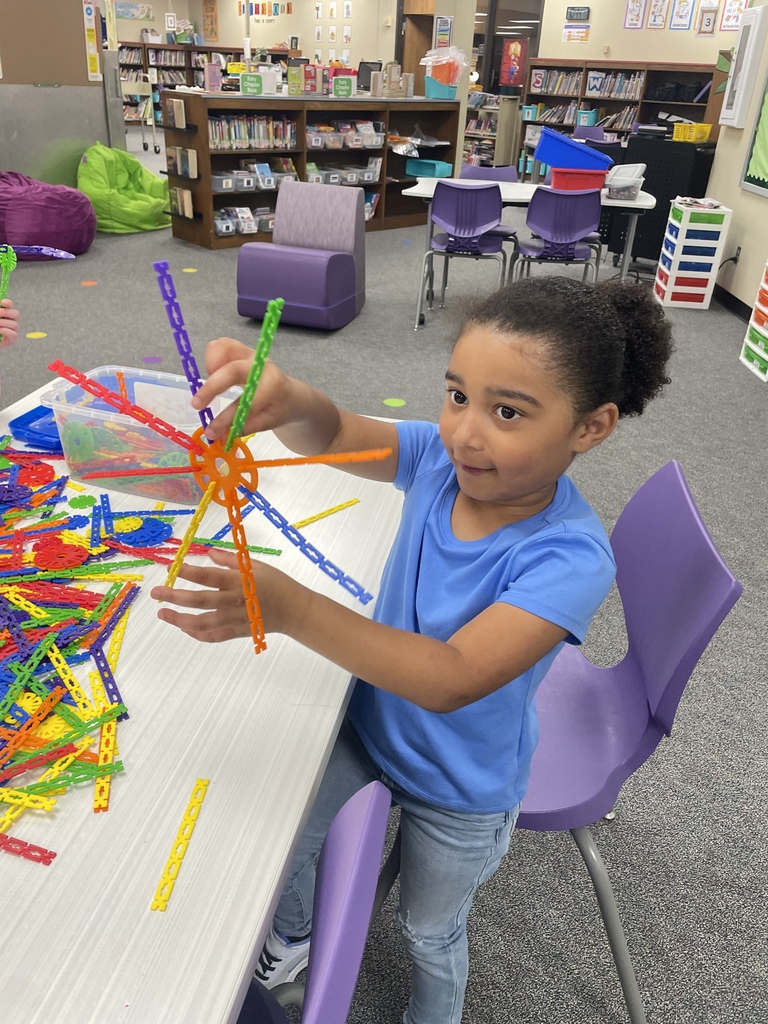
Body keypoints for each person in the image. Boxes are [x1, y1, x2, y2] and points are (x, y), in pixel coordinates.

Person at [151, 275, 673, 1024]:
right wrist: (290, 397)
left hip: (463, 787)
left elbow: (452, 678)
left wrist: (292, 607)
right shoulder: (438, 460)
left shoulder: (569, 557)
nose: (466, 431)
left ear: (590, 428)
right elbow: (333, 435)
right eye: (457, 395)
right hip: (369, 727)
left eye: (507, 412)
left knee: (427, 931)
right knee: (288, 838)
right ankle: (292, 939)